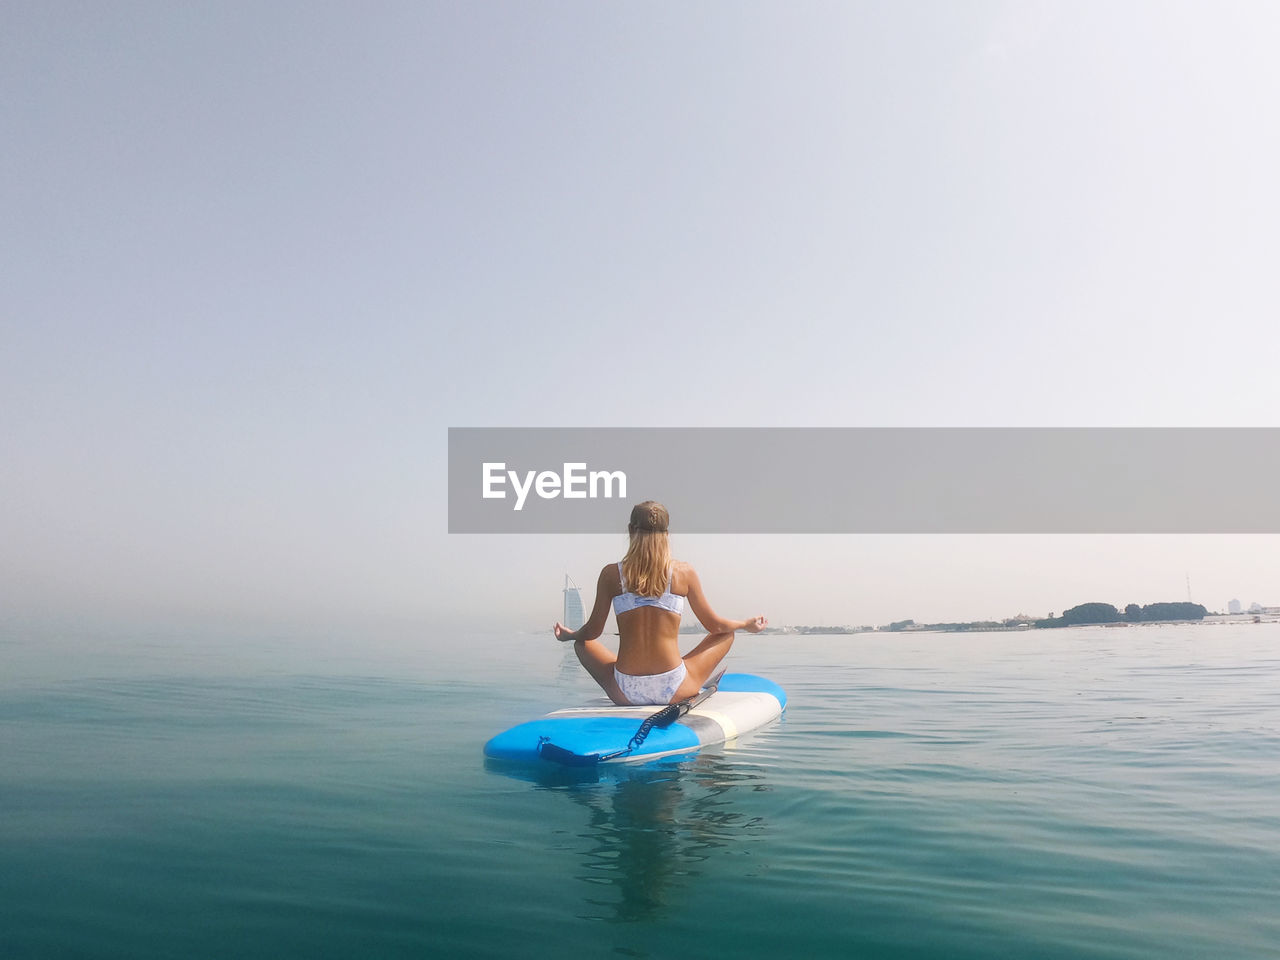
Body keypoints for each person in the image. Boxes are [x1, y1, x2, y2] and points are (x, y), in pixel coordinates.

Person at [552, 500, 768, 705]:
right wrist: (745, 624)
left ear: (630, 531)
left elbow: (592, 632)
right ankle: (681, 674)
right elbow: (716, 627)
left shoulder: (611, 575)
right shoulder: (684, 573)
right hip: (675, 687)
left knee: (581, 643)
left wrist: (570, 635)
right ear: (666, 535)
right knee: (726, 634)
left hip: (625, 690)